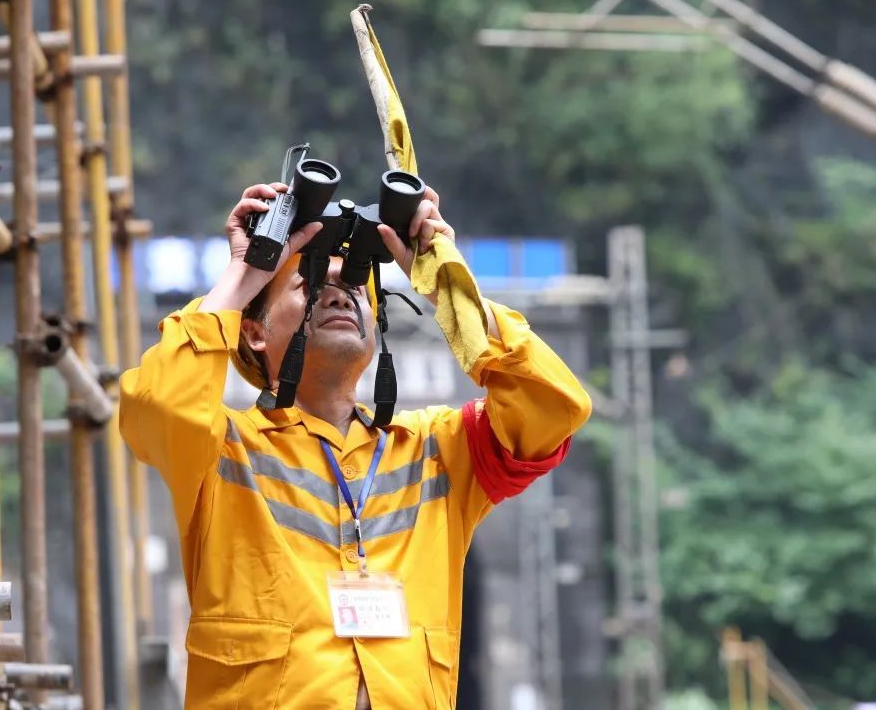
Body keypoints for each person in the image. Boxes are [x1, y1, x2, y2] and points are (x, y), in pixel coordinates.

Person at [119, 180, 592, 709]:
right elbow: (156, 406)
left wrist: (443, 281)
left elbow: (555, 406)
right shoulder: (220, 447)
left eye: (354, 289)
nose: (339, 293)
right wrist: (246, 272)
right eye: (310, 284)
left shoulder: (437, 449)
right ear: (252, 332)